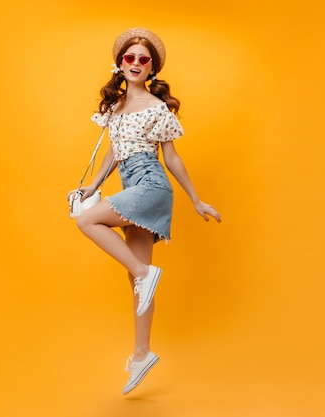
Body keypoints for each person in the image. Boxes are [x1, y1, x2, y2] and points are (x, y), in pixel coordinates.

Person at [67, 27, 222, 395]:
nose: (136, 63)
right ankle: (142, 354)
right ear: (120, 63)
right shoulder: (114, 108)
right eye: (130, 57)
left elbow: (172, 158)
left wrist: (197, 200)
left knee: (88, 221)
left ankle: (143, 270)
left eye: (143, 59)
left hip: (151, 187)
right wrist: (92, 184)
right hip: (130, 185)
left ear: (151, 69)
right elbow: (113, 151)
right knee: (138, 287)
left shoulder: (157, 107)